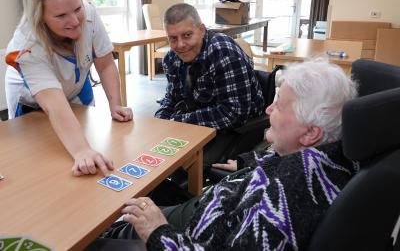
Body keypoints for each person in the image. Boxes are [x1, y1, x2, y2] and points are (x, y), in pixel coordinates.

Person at [88, 59, 359, 251]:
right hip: (207, 211)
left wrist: (158, 232)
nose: (268, 110)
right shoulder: (332, 154)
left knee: (101, 231)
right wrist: (248, 166)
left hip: (186, 236)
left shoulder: (288, 197)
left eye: (279, 106)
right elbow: (281, 163)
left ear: (310, 133)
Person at [4, 0, 132, 177]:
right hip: (32, 102)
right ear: (40, 16)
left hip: (76, 83)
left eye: (77, 9)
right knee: (43, 163)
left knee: (91, 140)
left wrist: (115, 104)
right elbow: (54, 105)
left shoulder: (89, 12)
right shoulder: (25, 44)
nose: (75, 21)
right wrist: (81, 150)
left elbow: (105, 62)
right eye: (61, 15)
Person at [154, 3, 265, 166]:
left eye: (187, 35)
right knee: (158, 154)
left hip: (239, 128)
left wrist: (180, 121)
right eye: (173, 39)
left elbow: (234, 113)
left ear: (201, 30)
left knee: (187, 166)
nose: (180, 45)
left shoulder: (223, 52)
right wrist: (160, 121)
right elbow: (172, 98)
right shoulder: (171, 59)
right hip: (201, 123)